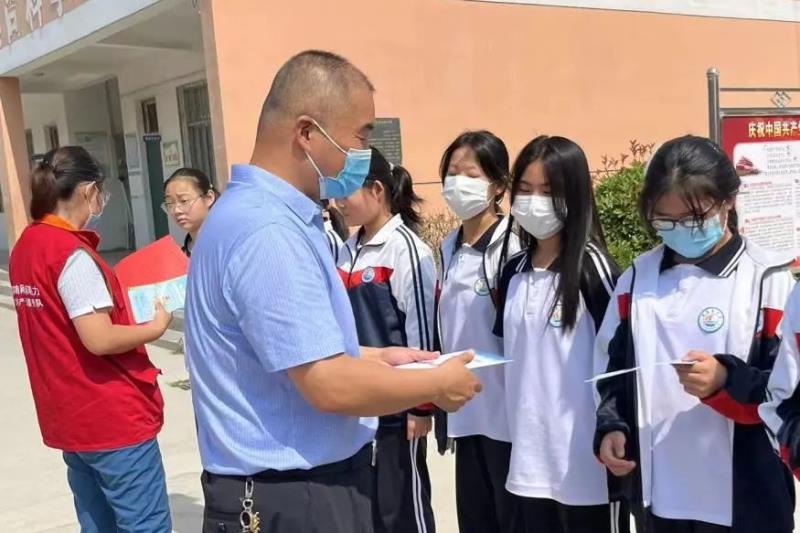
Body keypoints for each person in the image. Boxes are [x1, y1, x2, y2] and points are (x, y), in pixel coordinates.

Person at [183, 50, 481, 533]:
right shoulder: (268, 233)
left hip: (285, 491)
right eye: (360, 136)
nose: (364, 152)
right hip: (293, 498)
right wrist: (435, 386)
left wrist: (377, 358)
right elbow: (326, 383)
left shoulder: (257, 216)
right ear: (306, 133)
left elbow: (287, 351)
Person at [595, 135, 796, 533]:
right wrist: (612, 426)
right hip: (661, 495)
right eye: (664, 221)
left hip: (748, 497)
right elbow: (611, 368)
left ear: (728, 201)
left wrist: (726, 380)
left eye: (693, 218)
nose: (680, 231)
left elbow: (789, 393)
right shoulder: (637, 279)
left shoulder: (767, 279)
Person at [9, 146, 174, 532]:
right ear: (88, 190)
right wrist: (155, 327)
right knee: (145, 525)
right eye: (101, 191)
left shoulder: (27, 246)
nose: (102, 200)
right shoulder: (71, 255)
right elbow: (98, 338)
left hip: (69, 416)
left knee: (98, 523)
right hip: (111, 418)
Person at [492, 135, 625, 533]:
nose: (534, 202)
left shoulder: (593, 268)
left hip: (588, 462)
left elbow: (621, 359)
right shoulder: (513, 270)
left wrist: (615, 427)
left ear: (575, 196)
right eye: (525, 189)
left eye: (548, 191)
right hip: (529, 459)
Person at [336, 147, 437, 533]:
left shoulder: (406, 250)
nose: (338, 202)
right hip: (357, 404)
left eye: (345, 191)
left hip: (398, 408)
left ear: (377, 190)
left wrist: (421, 406)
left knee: (403, 509)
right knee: (369, 510)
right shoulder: (346, 250)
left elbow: (422, 331)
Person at [435, 130, 521, 533]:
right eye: (452, 173)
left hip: (505, 415)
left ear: (498, 186)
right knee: (475, 519)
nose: (458, 183)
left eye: (471, 175)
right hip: (465, 411)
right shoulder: (449, 247)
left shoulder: (512, 245)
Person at [162, 167, 218, 257]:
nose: (176, 210)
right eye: (170, 203)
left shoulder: (227, 245)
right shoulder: (182, 255)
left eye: (184, 200)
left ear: (209, 198)